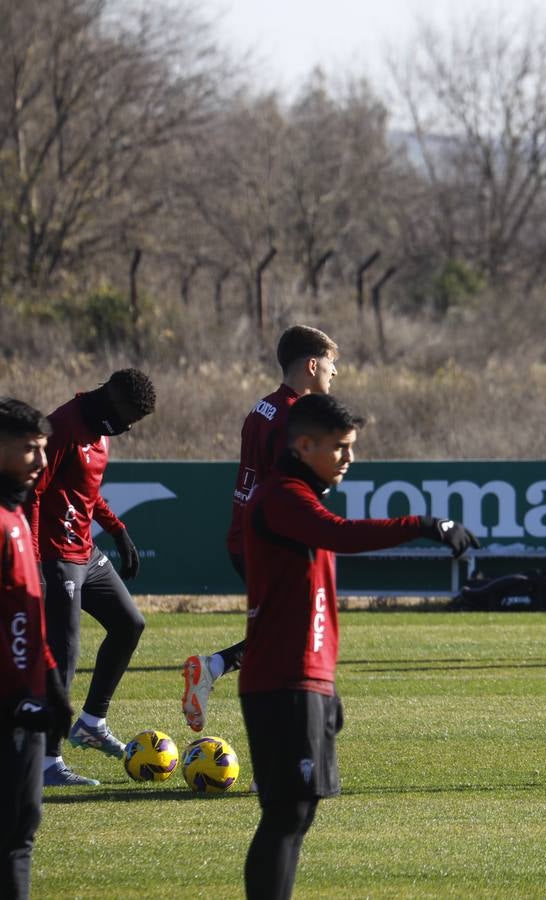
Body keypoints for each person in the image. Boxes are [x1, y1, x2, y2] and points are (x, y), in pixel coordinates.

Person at [239, 393, 478, 899]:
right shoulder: (282, 496)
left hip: (303, 679)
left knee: (297, 814)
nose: (349, 459)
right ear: (303, 445)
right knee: (285, 815)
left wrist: (325, 687)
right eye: (341, 448)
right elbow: (341, 535)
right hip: (282, 681)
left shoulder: (297, 497)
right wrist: (425, 525)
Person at [182, 325, 339, 733]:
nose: (334, 372)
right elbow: (286, 493)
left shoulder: (262, 408)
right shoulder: (291, 419)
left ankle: (213, 668)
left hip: (247, 537)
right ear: (311, 364)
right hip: (271, 545)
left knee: (286, 637)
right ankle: (276, 764)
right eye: (330, 363)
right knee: (293, 646)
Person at [27, 369, 156, 786]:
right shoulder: (63, 425)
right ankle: (46, 761)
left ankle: (91, 723)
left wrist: (116, 529)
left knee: (129, 624)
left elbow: (85, 490)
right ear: (111, 397)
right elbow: (33, 492)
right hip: (54, 556)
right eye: (127, 417)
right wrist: (29, 560)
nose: (127, 427)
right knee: (62, 654)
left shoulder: (100, 429)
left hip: (85, 551)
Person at [1, 399, 73, 899]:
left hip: (26, 706)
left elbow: (27, 618)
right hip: (10, 711)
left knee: (21, 831)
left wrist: (48, 681)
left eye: (44, 450)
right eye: (30, 450)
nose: (42, 463)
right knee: (13, 839)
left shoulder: (18, 516)